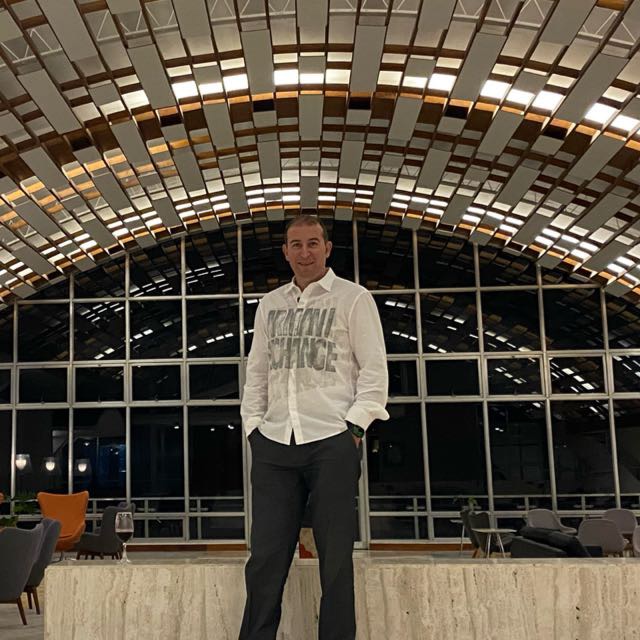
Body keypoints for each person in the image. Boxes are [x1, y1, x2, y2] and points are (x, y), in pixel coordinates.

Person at [239, 214, 389, 640]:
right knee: (265, 558)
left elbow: (374, 371)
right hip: (274, 444)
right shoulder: (270, 305)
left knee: (336, 559)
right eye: (296, 244)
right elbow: (257, 373)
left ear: (327, 248)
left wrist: (354, 429)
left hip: (331, 442)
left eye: (312, 243)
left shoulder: (353, 299)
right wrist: (253, 428)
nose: (304, 252)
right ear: (285, 252)